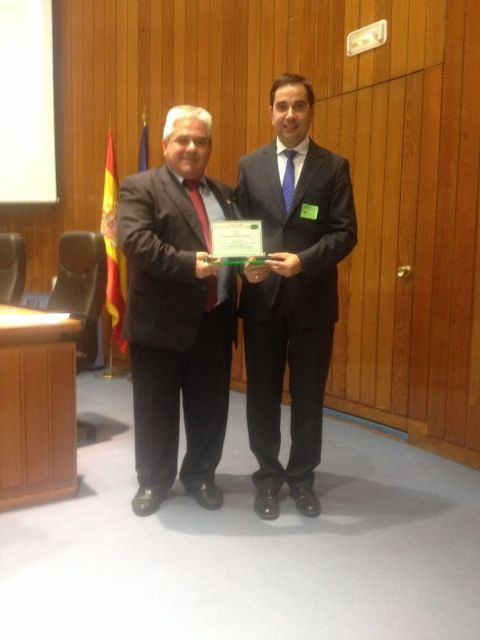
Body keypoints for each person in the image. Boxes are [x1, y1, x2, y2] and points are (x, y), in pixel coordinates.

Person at [235, 73, 357, 520]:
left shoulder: (334, 166)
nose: (290, 114)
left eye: (299, 105)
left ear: (311, 111)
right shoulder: (250, 165)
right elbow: (240, 227)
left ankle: (302, 478)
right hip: (262, 301)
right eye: (282, 106)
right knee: (261, 396)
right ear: (270, 112)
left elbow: (346, 233)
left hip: (312, 302)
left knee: (308, 396)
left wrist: (303, 261)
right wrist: (244, 264)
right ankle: (268, 479)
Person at [118, 105, 237, 516]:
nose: (191, 148)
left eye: (200, 141)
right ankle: (153, 481)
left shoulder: (224, 194)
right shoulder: (140, 187)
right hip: (159, 324)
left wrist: (251, 267)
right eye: (183, 140)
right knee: (155, 410)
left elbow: (235, 248)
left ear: (209, 147)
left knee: (210, 409)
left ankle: (201, 474)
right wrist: (190, 264)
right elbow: (136, 242)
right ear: (166, 143)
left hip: (214, 320)